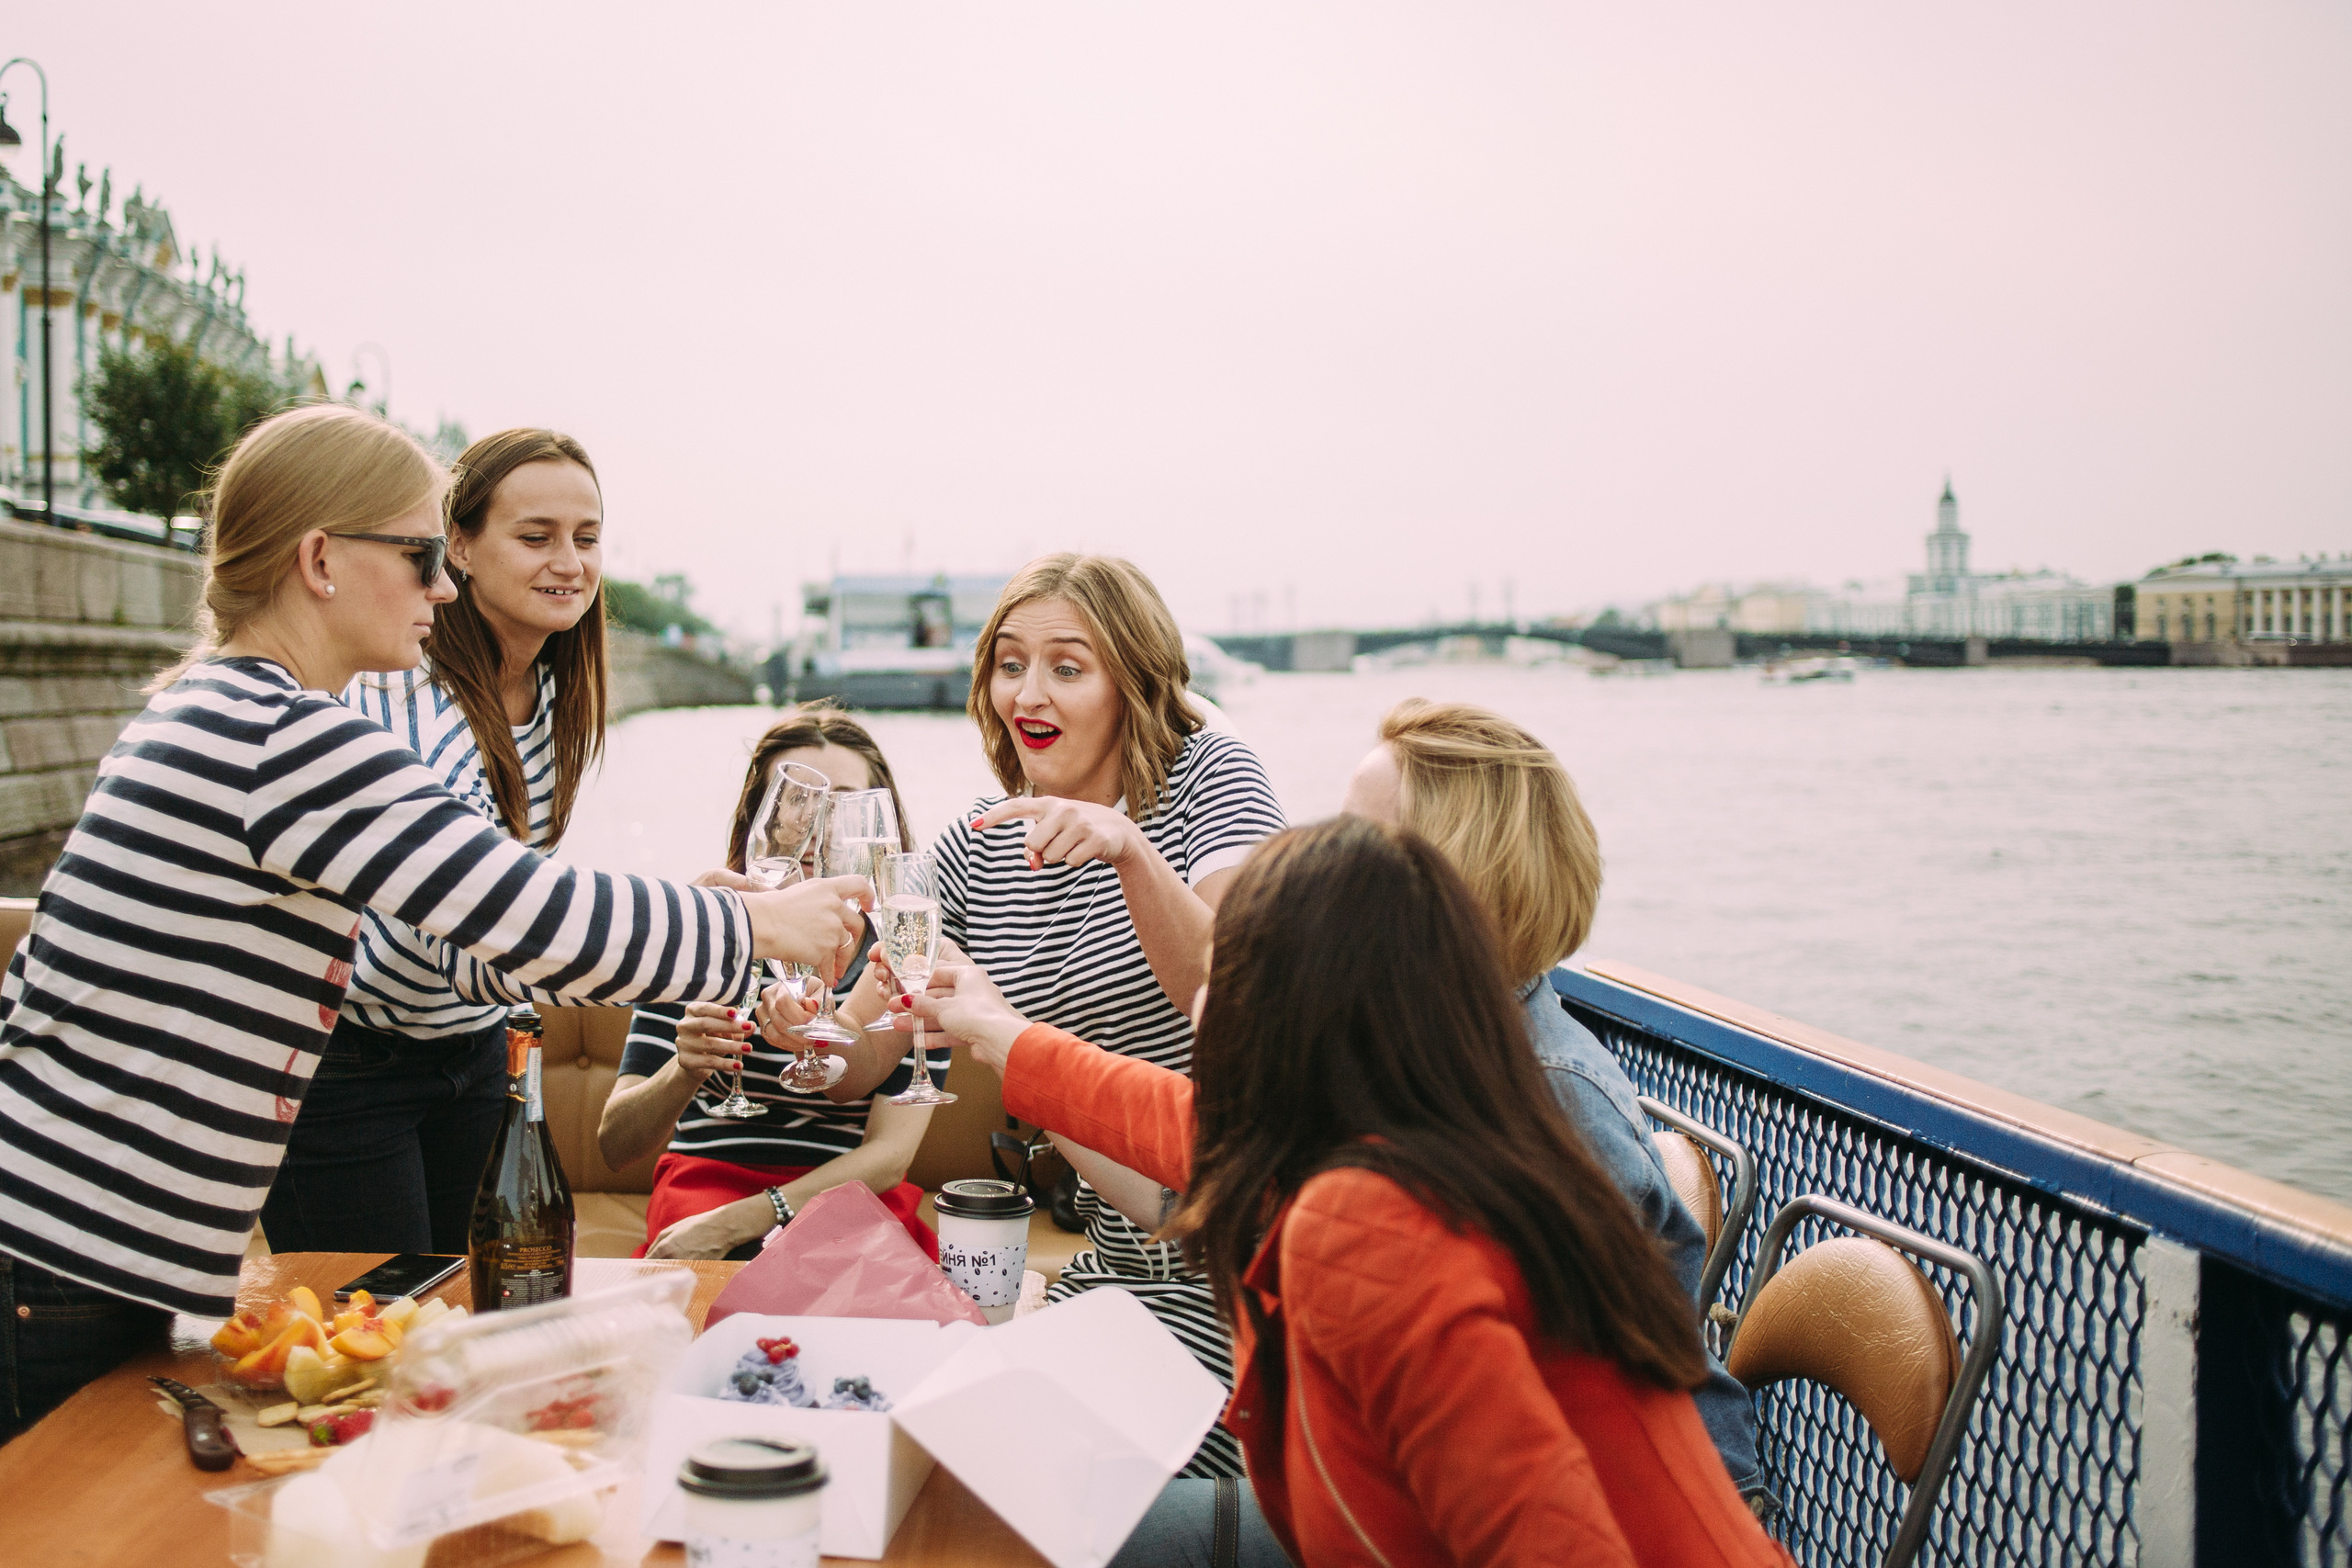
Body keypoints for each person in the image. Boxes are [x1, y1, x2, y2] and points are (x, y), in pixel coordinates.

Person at [0, 405, 866, 1441]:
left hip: (74, 1225)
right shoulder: (291, 739)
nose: (444, 588)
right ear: (321, 560)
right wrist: (762, 930)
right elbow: (522, 913)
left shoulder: (209, 707)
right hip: (65, 1246)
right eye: (419, 556)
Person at [918, 817, 1792, 1568]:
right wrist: (998, 1031)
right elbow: (1167, 1117)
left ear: (1296, 1012)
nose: (1203, 995)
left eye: (1229, 970)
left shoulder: (1373, 1224)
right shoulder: (1429, 1138)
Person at [1340, 698, 1773, 1512]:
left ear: (1457, 880)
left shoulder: (1548, 1099)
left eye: (1362, 850)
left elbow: (1569, 1417)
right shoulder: (1434, 1046)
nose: (1327, 871)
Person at [918, 553, 1285, 1478]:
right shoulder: (982, 839)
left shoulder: (1208, 777)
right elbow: (867, 993)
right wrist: (790, 981)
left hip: (1237, 1277)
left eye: (1066, 667)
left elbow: (1240, 993)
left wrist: (1132, 853)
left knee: (1040, 1488)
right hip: (1117, 1256)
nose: (1026, 692)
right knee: (938, 1454)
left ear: (1132, 682)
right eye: (1008, 663)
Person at [263, 428, 619, 1255]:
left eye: (587, 538)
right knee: (382, 1333)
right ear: (455, 544)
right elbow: (466, 936)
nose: (569, 562)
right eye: (536, 537)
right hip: (350, 1060)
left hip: (473, 1047)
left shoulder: (558, 686)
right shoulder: (404, 697)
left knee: (472, 1305)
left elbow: (515, 900)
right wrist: (709, 934)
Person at [601, 705, 942, 1262]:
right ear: (759, 821)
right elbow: (615, 1146)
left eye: (844, 806)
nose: (816, 830)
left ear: (880, 827)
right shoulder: (704, 928)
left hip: (844, 1194)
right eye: (799, 805)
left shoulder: (904, 948)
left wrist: (749, 1218)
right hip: (709, 1178)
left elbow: (888, 1157)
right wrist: (683, 1068)